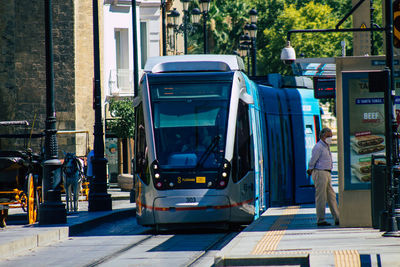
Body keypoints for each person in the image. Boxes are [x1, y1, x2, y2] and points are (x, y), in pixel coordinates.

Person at [307, 127, 339, 226]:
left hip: (327, 173)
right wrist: (310, 169)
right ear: (322, 136)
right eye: (328, 136)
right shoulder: (319, 147)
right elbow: (313, 160)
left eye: (331, 136)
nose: (330, 138)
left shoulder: (326, 146)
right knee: (321, 196)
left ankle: (337, 217)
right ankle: (320, 219)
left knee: (331, 196)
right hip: (320, 172)